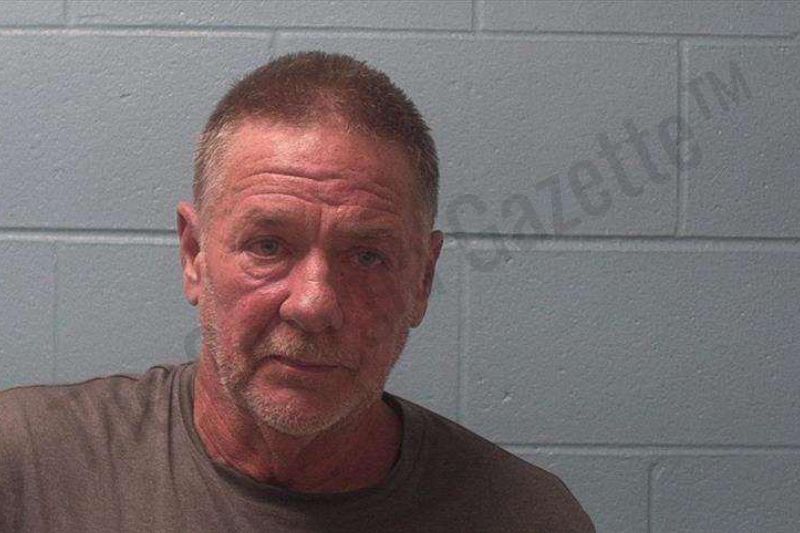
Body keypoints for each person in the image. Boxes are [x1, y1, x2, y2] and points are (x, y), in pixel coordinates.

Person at [0, 51, 595, 532]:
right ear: (194, 256)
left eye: (367, 256)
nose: (312, 305)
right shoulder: (25, 466)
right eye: (268, 246)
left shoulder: (525, 516)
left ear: (422, 280)